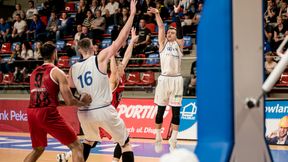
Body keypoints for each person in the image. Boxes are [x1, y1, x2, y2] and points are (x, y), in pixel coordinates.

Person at [63, 1, 137, 162]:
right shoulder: (100, 58)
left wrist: (79, 101)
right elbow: (120, 39)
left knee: (88, 142)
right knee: (125, 144)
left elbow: (69, 93)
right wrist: (131, 15)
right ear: (93, 48)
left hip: (84, 113)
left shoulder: (72, 69)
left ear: (80, 50)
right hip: (102, 108)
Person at [24, 42, 92, 162]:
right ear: (54, 54)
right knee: (77, 146)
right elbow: (70, 101)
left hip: (31, 112)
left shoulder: (33, 73)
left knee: (37, 149)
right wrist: (83, 102)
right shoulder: (57, 72)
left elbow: (46, 98)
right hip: (47, 113)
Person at [149, 4, 184, 153]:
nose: (169, 34)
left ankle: (173, 139)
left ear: (176, 35)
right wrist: (157, 14)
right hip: (164, 80)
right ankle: (158, 136)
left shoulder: (179, 45)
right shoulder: (162, 45)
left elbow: (181, 32)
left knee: (176, 113)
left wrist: (177, 16)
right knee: (160, 110)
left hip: (176, 80)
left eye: (172, 32)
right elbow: (161, 27)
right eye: (169, 32)